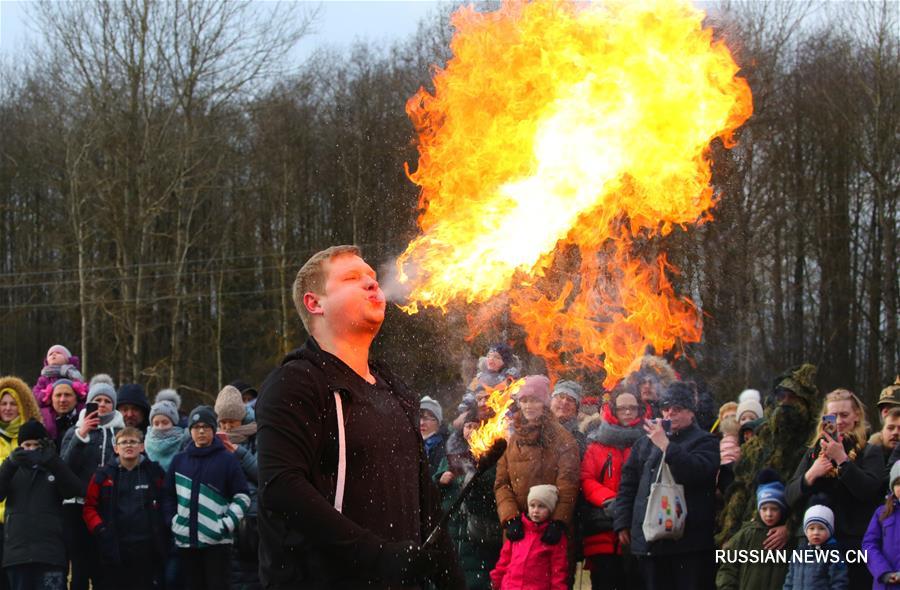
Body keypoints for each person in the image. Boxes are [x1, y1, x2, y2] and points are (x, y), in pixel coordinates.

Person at [255, 245, 463, 589]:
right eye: (352, 278)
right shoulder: (296, 382)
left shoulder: (394, 389)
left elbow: (426, 504)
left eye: (373, 277)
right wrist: (378, 557)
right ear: (315, 303)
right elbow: (282, 488)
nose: (372, 283)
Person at [613, 382, 719, 590]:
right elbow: (628, 485)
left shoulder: (705, 441)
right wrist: (622, 521)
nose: (670, 413)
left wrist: (667, 447)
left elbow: (697, 473)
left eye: (677, 409)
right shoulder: (644, 443)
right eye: (666, 408)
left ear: (691, 412)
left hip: (689, 544)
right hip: (650, 543)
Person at [785, 388, 883, 589]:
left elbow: (870, 491)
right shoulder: (814, 453)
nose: (838, 421)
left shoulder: (870, 451)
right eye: (832, 416)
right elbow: (789, 496)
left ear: (857, 416)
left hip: (851, 546)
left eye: (844, 415)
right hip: (814, 548)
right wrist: (811, 474)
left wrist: (842, 460)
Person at [718, 364, 821, 547]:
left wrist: (789, 527)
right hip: (751, 536)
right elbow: (740, 491)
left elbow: (813, 494)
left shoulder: (814, 442)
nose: (786, 403)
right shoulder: (759, 441)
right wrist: (729, 535)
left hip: (796, 540)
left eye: (793, 397)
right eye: (782, 396)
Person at [164, 405, 250, 590]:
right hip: (186, 542)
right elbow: (168, 496)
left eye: (206, 426)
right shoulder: (179, 461)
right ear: (190, 431)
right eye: (196, 427)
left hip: (217, 544)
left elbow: (243, 497)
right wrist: (174, 522)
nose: (201, 431)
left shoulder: (227, 460)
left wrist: (226, 524)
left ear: (214, 429)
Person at [0, 419, 83, 590]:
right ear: (20, 446)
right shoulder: (11, 469)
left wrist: (53, 461)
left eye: (36, 445)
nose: (31, 449)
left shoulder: (54, 467)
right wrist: (10, 463)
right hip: (17, 556)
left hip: (50, 555)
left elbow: (75, 490)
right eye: (27, 445)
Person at [60, 373, 125, 590]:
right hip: (76, 507)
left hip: (109, 507)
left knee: (104, 569)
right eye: (97, 400)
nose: (102, 405)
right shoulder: (74, 431)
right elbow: (64, 467)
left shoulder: (121, 432)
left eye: (107, 401)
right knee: (79, 569)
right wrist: (81, 435)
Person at [82, 427, 167, 590]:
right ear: (116, 448)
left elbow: (167, 501)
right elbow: (89, 507)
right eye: (123, 442)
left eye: (133, 442)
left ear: (141, 447)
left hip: (148, 549)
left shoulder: (154, 473)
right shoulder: (102, 475)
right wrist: (101, 529)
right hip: (113, 548)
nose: (128, 445)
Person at [580, 389, 644, 590]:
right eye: (622, 408)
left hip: (638, 528)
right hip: (603, 528)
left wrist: (629, 505)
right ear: (614, 410)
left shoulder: (647, 441)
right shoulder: (597, 444)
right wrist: (610, 500)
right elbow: (586, 478)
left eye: (632, 408)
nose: (628, 412)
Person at [436, 410, 501, 590]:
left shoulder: (492, 458)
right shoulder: (453, 454)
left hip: (476, 529)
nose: (471, 430)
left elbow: (492, 489)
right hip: (452, 523)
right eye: (468, 426)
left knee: (474, 577)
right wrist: (440, 480)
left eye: (476, 426)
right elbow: (435, 486)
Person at [215, 385, 260, 590]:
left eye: (232, 422)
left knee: (250, 573)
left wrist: (238, 452)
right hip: (224, 514)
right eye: (223, 422)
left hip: (251, 517)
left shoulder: (257, 433)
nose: (227, 427)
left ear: (241, 419)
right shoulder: (214, 439)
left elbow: (262, 473)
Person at [0, 375, 44, 586]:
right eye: (3, 403)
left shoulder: (33, 438)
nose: (8, 408)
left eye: (13, 403)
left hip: (24, 524)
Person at [715, 469, 791, 590]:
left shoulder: (788, 538)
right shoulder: (747, 534)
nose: (769, 514)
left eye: (774, 509)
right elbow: (728, 568)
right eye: (764, 509)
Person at [490, 484, 567, 590]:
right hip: (510, 586)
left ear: (550, 509)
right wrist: (495, 581)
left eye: (541, 506)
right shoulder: (518, 531)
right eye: (532, 505)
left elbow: (558, 571)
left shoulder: (553, 537)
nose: (535, 510)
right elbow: (504, 560)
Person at [782, 497, 849, 590]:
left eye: (821, 528)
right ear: (806, 531)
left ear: (829, 531)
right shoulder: (798, 553)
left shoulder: (833, 555)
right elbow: (789, 581)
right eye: (811, 528)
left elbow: (839, 582)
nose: (816, 532)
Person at [862, 461, 900, 590]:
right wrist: (883, 572)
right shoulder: (882, 513)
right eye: (898, 483)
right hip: (886, 584)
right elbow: (869, 545)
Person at [623, 354, 677, 419]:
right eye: (643, 382)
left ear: (663, 384)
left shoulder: (671, 411)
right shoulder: (628, 411)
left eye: (652, 382)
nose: (647, 386)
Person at [40, 379, 83, 450]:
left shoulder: (85, 420)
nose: (62, 400)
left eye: (67, 395)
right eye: (58, 395)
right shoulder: (41, 422)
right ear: (51, 399)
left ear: (76, 398)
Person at [145, 401, 185, 471]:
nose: (160, 427)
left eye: (165, 423)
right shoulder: (145, 442)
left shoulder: (185, 442)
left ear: (173, 423)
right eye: (156, 424)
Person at [550, 380, 586, 457]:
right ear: (551, 402)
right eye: (561, 396)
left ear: (576, 410)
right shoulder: (535, 431)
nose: (564, 402)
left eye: (570, 400)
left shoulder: (579, 440)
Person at [419, 396, 447, 480]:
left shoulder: (445, 447)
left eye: (426, 418)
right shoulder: (410, 443)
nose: (421, 423)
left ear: (438, 422)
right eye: (419, 418)